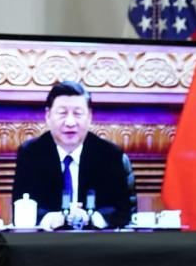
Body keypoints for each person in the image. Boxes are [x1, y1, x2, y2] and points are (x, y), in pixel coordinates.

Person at [11, 81, 137, 229]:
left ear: (89, 117)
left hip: (98, 245)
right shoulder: (31, 154)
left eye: (77, 113)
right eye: (62, 113)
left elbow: (122, 210)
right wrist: (50, 218)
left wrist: (92, 218)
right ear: (48, 116)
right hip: (47, 245)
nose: (70, 122)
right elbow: (22, 207)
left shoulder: (109, 155)